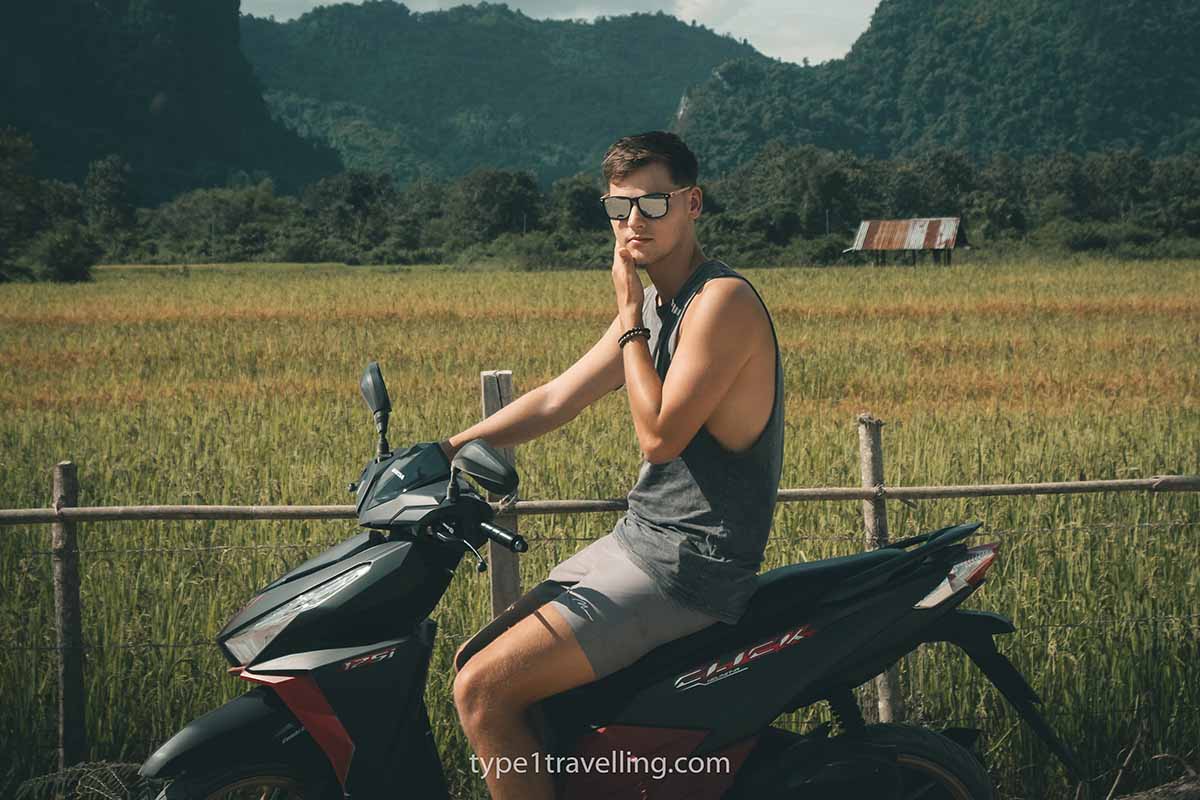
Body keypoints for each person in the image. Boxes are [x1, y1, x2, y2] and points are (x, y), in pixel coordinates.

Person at [442, 130, 784, 800]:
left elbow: (659, 437)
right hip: (639, 543)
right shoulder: (658, 305)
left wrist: (629, 319)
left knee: (483, 692)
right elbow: (558, 396)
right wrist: (447, 447)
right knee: (471, 663)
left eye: (653, 205)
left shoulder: (721, 302)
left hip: (691, 567)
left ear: (693, 204)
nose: (634, 222)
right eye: (620, 206)